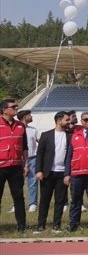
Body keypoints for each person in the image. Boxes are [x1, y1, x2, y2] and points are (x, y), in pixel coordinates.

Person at [34, 111, 72, 233]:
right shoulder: (46, 135)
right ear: (59, 120)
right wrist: (39, 170)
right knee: (45, 200)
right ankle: (41, 225)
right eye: (66, 120)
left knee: (60, 201)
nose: (69, 122)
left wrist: (68, 173)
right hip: (47, 173)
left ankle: (57, 225)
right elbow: (39, 154)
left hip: (62, 173)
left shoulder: (69, 135)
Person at [0, 99, 28, 232]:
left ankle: (22, 226)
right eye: (13, 107)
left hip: (16, 167)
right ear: (4, 110)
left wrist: (26, 164)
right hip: (0, 167)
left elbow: (25, 147)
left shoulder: (20, 126)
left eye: (17, 106)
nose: (17, 108)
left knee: (18, 197)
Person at [17, 109, 39, 213]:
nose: (32, 116)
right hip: (19, 159)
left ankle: (33, 203)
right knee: (17, 182)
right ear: (25, 117)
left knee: (33, 181)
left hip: (33, 158)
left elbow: (40, 141)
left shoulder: (33, 130)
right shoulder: (17, 129)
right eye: (30, 115)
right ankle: (16, 204)